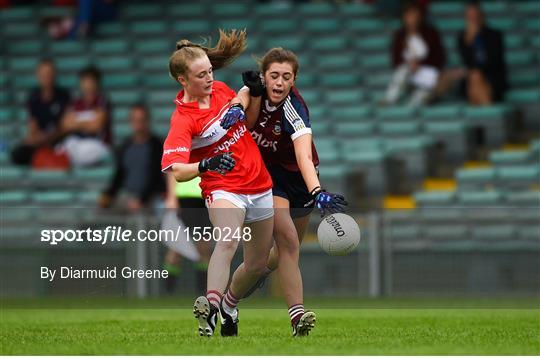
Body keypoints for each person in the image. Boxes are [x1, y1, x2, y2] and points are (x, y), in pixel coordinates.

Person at [222, 48, 348, 336]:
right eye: (274, 76)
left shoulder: (296, 108)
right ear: (265, 76)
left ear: (294, 80)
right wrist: (235, 108)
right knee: (289, 241)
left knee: (278, 257)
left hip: (301, 179)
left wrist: (317, 192)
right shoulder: (254, 91)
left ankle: (231, 301)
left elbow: (304, 156)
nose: (279, 83)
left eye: (286, 77)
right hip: (268, 178)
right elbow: (241, 96)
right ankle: (297, 319)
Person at [161, 29, 274, 337]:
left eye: (210, 71)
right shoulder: (182, 119)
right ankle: (210, 311)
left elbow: (245, 123)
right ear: (183, 80)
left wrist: (251, 93)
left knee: (258, 265)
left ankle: (229, 306)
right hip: (222, 187)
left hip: (260, 183)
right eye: (201, 75)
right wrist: (206, 164)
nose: (209, 79)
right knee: (226, 242)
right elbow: (178, 171)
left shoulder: (223, 90)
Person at [99, 104, 165, 210]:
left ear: (147, 121)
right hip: (128, 196)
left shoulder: (157, 146)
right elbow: (120, 174)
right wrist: (109, 194)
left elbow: (157, 177)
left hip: (151, 198)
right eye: (135, 120)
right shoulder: (125, 147)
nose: (138, 124)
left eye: (141, 120)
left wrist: (142, 200)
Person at [382, 2, 446, 107]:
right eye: (410, 15)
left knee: (420, 97)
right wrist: (410, 64)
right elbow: (396, 60)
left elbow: (439, 57)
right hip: (408, 74)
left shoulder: (431, 34)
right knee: (403, 70)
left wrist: (421, 64)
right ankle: (390, 98)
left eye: (415, 15)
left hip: (426, 73)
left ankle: (411, 108)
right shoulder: (400, 36)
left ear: (420, 17)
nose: (413, 19)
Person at [11, 59, 71, 165]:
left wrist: (49, 137)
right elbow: (32, 124)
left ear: (54, 75)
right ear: (38, 75)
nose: (46, 77)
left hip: (58, 139)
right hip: (40, 141)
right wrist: (36, 137)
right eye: (43, 74)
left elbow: (66, 125)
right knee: (18, 154)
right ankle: (43, 159)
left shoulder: (64, 96)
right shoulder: (34, 97)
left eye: (49, 74)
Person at [162, 174, 212, 295]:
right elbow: (172, 170)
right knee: (176, 249)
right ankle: (167, 293)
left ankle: (202, 292)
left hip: (205, 198)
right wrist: (171, 197)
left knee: (204, 248)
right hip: (183, 200)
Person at [58, 66, 111, 167]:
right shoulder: (75, 103)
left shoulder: (102, 101)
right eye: (84, 81)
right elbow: (65, 125)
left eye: (90, 82)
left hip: (97, 143)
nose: (87, 85)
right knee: (63, 148)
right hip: (76, 142)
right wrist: (88, 122)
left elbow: (96, 126)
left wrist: (76, 123)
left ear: (97, 83)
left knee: (83, 153)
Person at [457, 1, 507, 105]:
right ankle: (489, 114)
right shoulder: (463, 38)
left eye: (476, 16)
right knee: (474, 77)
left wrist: (478, 72)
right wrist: (469, 43)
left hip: (492, 77)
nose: (473, 20)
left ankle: (483, 115)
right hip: (472, 79)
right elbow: (467, 63)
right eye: (470, 17)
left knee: (476, 77)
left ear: (482, 16)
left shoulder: (494, 35)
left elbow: (494, 61)